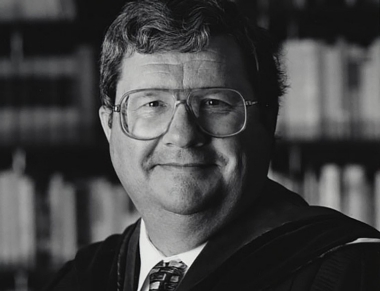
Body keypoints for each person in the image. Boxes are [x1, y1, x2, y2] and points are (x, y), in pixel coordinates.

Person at [44, 0, 380, 290]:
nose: (183, 134)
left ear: (267, 121)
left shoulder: (352, 273)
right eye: (151, 104)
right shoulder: (83, 278)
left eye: (215, 103)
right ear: (109, 126)